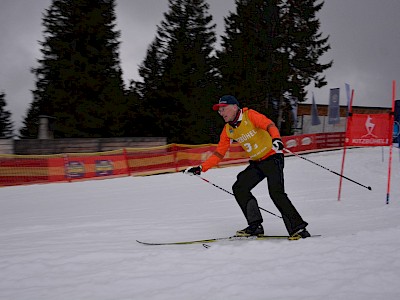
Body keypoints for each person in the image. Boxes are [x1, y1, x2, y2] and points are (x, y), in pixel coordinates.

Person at [185, 95, 310, 239]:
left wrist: (276, 138)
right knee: (240, 187)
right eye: (219, 111)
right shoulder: (228, 129)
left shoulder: (249, 115)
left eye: (223, 109)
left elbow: (269, 125)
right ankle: (255, 225)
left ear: (234, 107)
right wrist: (201, 168)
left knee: (276, 192)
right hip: (257, 162)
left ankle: (299, 229)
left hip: (272, 157)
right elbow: (219, 153)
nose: (221, 113)